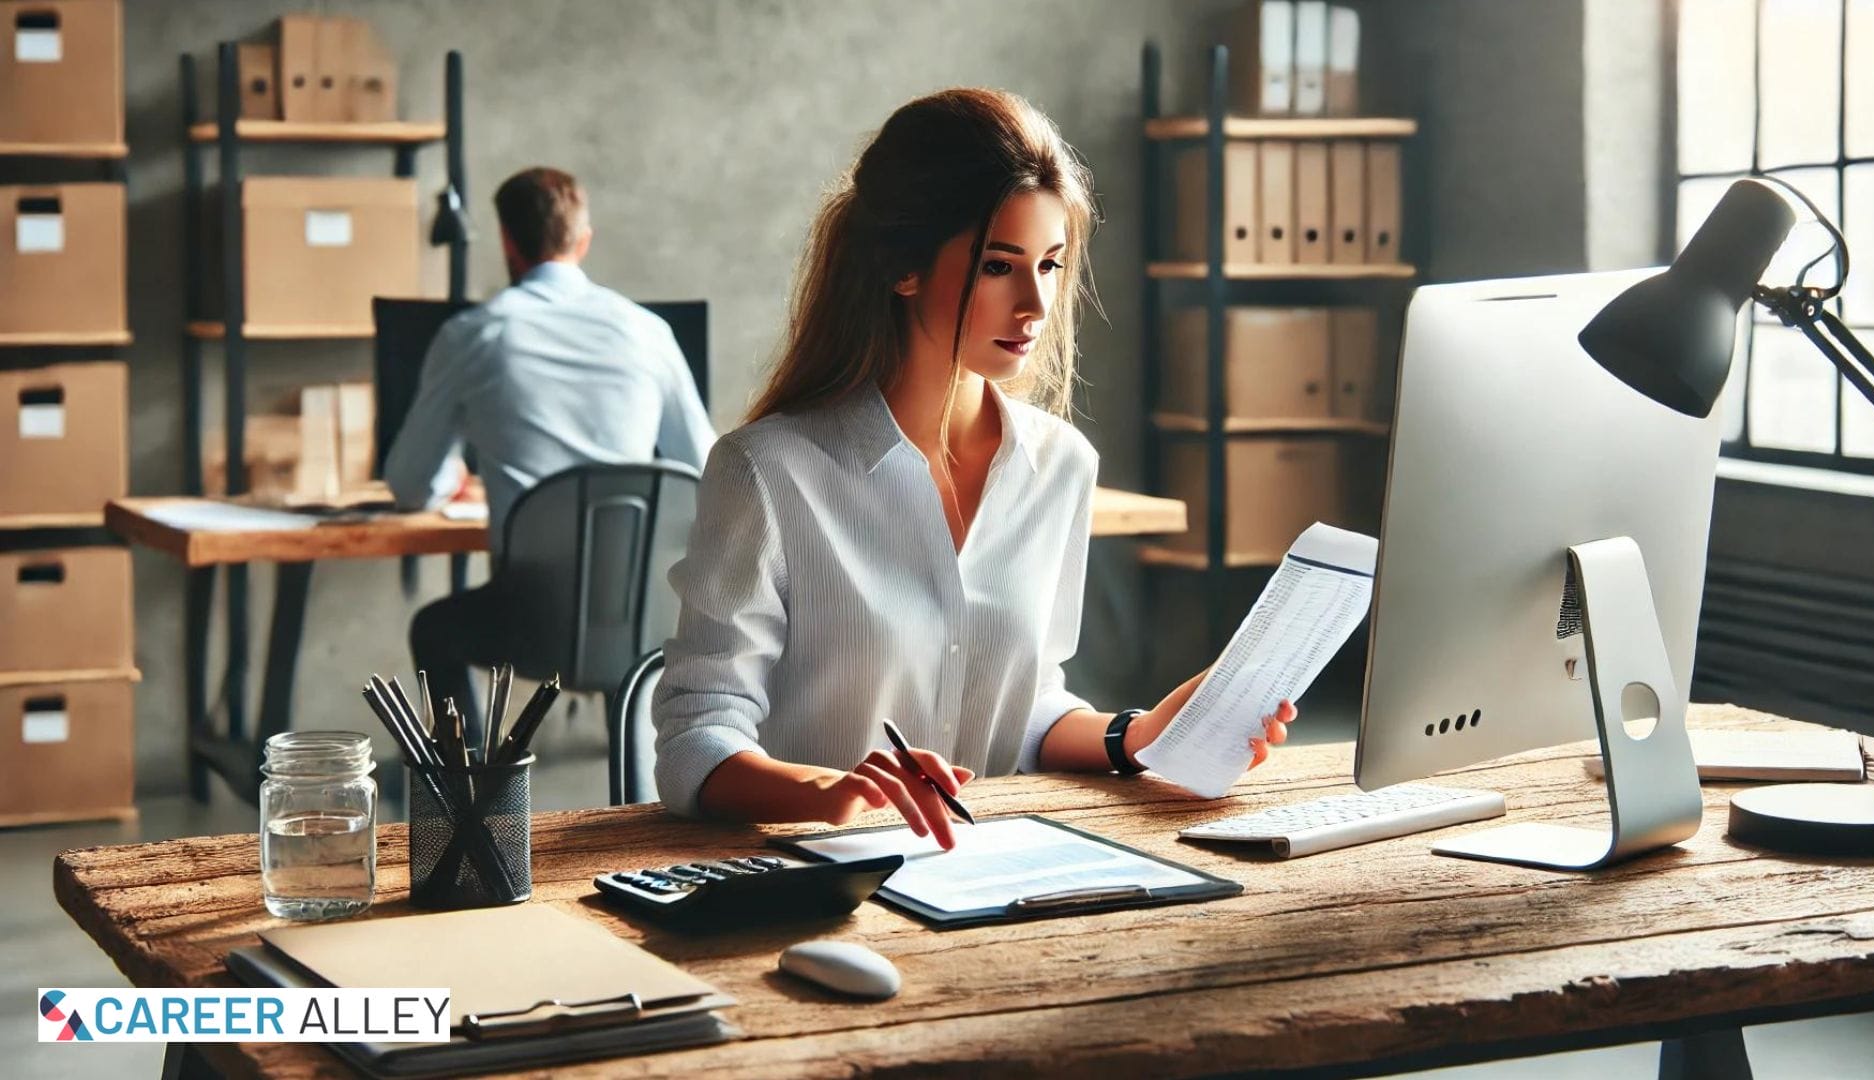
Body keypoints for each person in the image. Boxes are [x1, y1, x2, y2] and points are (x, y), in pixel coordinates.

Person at [652, 89, 1292, 846]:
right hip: (818, 882)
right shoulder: (767, 473)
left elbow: (1021, 708)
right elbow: (698, 736)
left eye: (1050, 266)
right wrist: (834, 791)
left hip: (995, 874)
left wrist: (1140, 734)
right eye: (998, 266)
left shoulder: (1059, 467)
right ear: (903, 268)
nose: (1035, 304)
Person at [387, 166, 715, 723]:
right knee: (630, 621)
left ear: (508, 242)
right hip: (641, 617)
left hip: (530, 621)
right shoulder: (646, 331)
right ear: (583, 240)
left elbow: (409, 485)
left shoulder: (474, 335)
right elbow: (709, 472)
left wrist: (450, 481)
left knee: (434, 630)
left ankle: (472, 803)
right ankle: (635, 788)